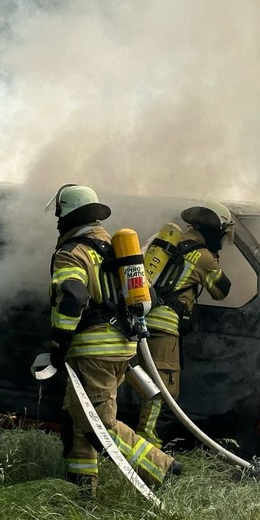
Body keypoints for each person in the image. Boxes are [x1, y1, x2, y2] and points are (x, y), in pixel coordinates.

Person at [48, 184, 178, 495]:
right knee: (78, 416)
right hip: (122, 347)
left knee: (98, 425)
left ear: (66, 216)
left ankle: (163, 468)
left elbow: (73, 295)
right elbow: (151, 296)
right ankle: (83, 491)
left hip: (94, 351)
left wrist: (59, 341)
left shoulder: (72, 253)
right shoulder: (113, 248)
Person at [135, 201, 234, 446]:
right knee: (164, 395)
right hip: (163, 331)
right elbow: (222, 291)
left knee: (143, 387)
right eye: (221, 234)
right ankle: (148, 453)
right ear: (214, 229)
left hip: (135, 324)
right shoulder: (203, 256)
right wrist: (214, 261)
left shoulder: (161, 241)